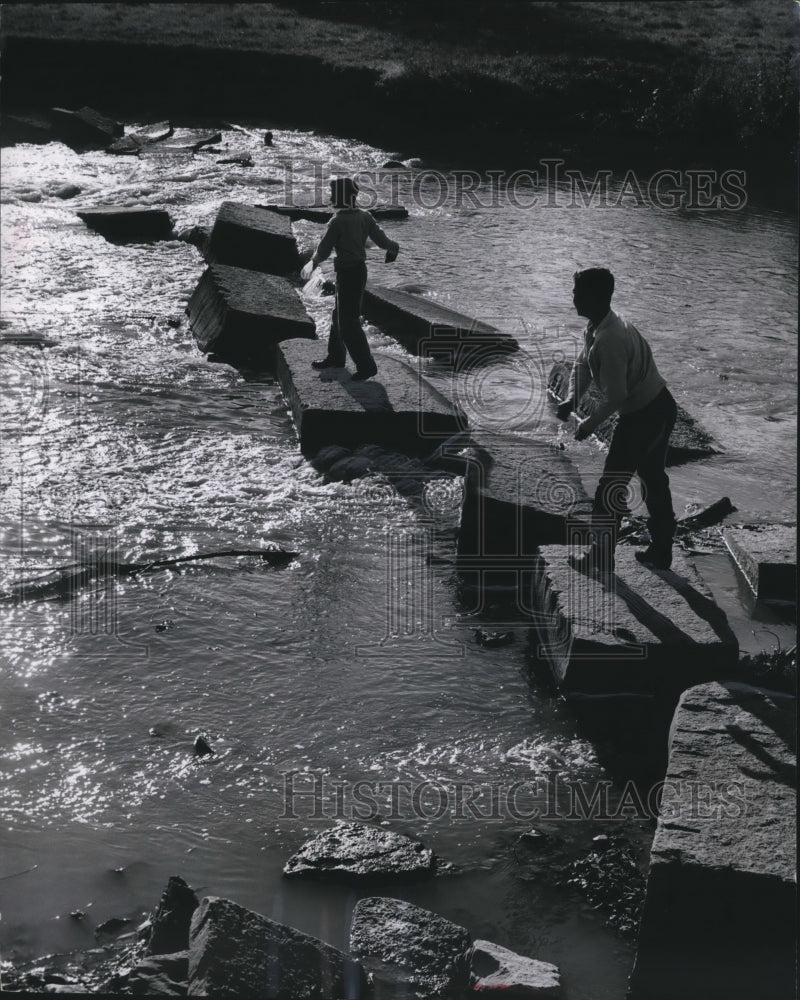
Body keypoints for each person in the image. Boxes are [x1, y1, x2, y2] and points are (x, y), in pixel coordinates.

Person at [557, 267, 678, 571]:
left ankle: (601, 555)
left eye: (578, 293)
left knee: (611, 486)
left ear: (595, 298)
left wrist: (588, 424)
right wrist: (571, 399)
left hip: (647, 413)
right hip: (658, 407)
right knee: (653, 480)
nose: (572, 297)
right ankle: (661, 551)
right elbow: (583, 366)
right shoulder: (597, 326)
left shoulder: (610, 338)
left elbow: (617, 397)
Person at [301, 176, 400, 381]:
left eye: (334, 194)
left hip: (347, 274)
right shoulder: (365, 217)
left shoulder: (337, 222)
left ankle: (366, 366)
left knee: (348, 322)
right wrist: (393, 248)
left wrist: (313, 262)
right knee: (341, 316)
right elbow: (382, 241)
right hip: (359, 271)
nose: (331, 197)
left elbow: (324, 249)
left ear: (342, 197)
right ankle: (336, 357)